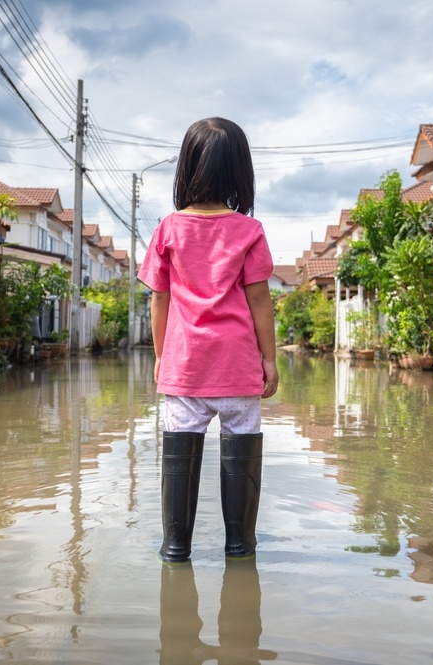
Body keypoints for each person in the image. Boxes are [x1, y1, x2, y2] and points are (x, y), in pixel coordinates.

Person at [138, 117, 277, 563]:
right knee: (242, 452)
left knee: (179, 454)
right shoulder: (249, 231)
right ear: (240, 171)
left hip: (186, 367)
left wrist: (162, 356)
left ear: (186, 166)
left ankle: (176, 547)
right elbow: (260, 301)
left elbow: (158, 302)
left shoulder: (168, 229)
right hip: (238, 367)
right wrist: (269, 360)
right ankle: (240, 546)